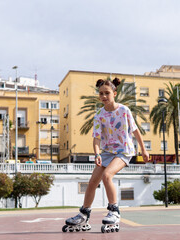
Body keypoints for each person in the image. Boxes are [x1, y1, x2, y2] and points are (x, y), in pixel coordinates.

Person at [63, 77, 149, 233]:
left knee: (107, 175)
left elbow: (135, 130)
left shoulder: (124, 110)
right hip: (107, 152)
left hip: (124, 150)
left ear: (114, 93)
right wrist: (97, 154)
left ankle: (114, 211)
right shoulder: (99, 115)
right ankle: (84, 214)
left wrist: (143, 150)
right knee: (92, 182)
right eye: (101, 93)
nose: (103, 96)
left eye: (107, 93)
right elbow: (96, 137)